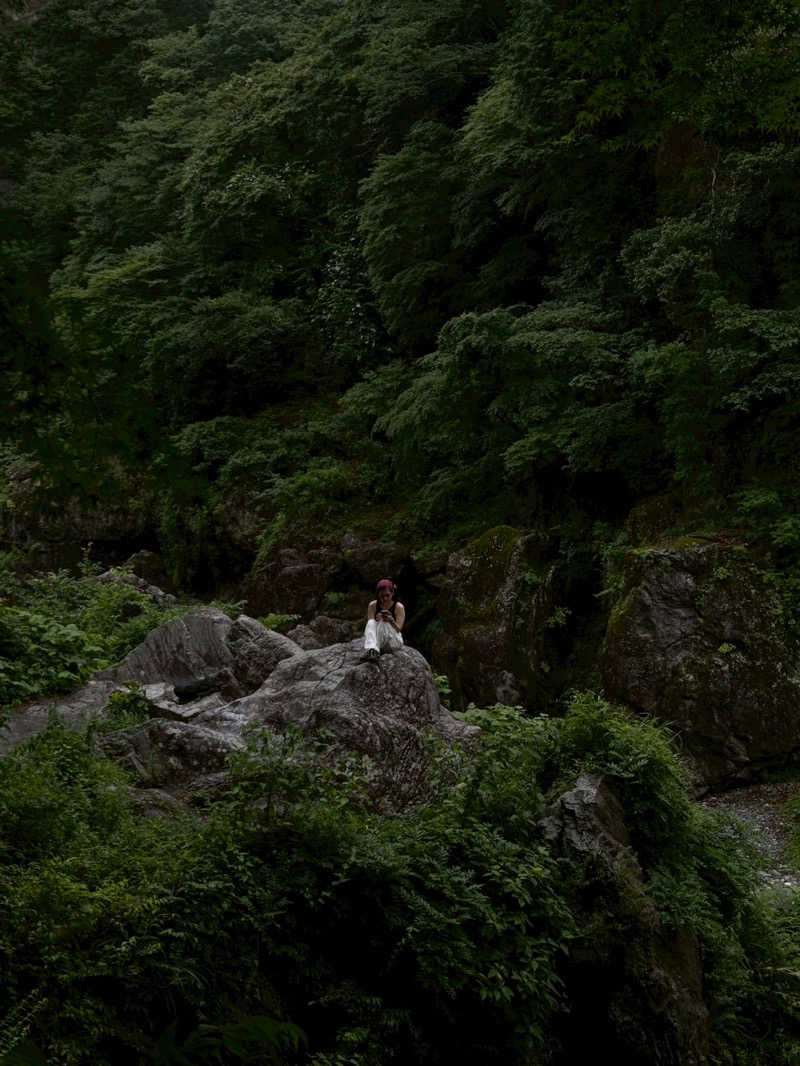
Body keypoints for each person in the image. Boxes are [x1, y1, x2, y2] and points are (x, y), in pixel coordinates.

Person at [363, 578, 405, 660]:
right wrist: (377, 620)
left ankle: (373, 650)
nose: (385, 598)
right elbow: (370, 627)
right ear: (378, 594)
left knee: (384, 622)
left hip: (393, 641)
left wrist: (391, 620)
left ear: (392, 593)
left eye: (387, 595)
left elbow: (399, 629)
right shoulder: (373, 605)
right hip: (379, 640)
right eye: (382, 596)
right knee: (371, 622)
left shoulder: (399, 607)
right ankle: (372, 650)